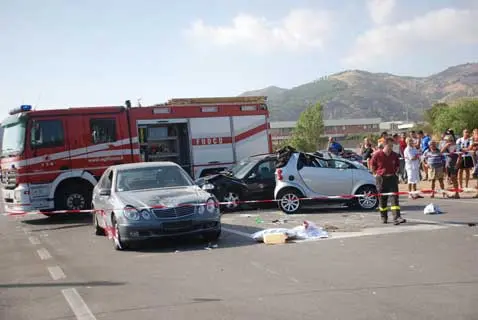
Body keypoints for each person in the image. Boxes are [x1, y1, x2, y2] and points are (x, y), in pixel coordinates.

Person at [370, 137, 406, 225]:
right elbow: (372, 165)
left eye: (392, 145)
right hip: (381, 179)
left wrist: (396, 173)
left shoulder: (394, 155)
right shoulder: (377, 155)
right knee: (382, 199)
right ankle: (384, 217)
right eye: (389, 145)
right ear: (384, 145)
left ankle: (397, 217)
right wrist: (376, 174)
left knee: (394, 198)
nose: (391, 147)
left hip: (392, 178)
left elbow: (397, 165)